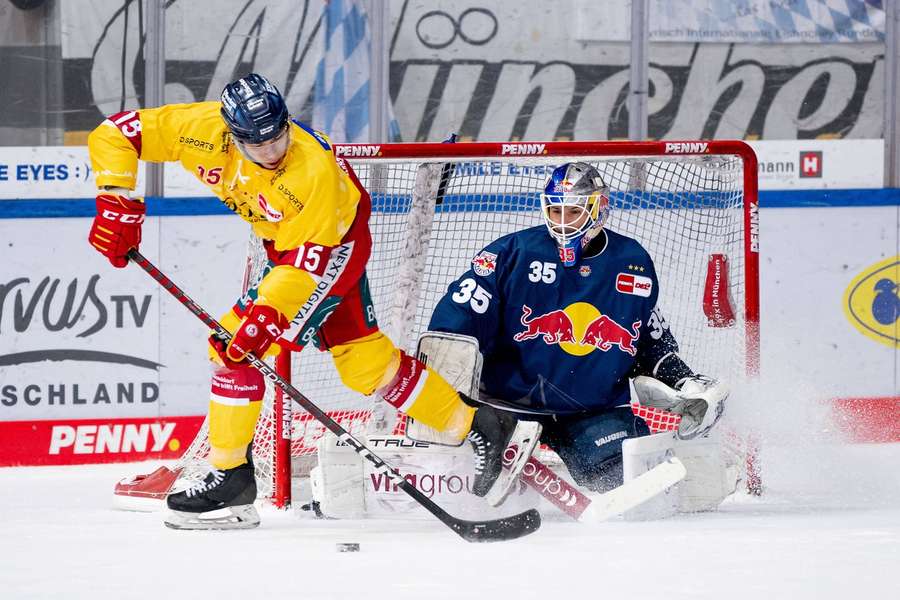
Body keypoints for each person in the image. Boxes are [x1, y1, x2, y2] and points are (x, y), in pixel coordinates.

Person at [86, 73, 520, 528]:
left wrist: (264, 319)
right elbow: (115, 133)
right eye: (259, 144)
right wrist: (116, 201)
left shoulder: (312, 170)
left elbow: (303, 270)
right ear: (231, 135)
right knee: (364, 365)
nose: (273, 151)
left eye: (279, 136)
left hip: (325, 249)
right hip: (292, 248)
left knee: (231, 351)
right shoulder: (200, 129)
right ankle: (475, 423)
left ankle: (230, 480)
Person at [427, 161, 729, 495]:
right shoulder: (512, 254)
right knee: (478, 491)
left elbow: (648, 340)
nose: (562, 222)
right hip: (507, 410)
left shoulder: (633, 262)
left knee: (636, 486)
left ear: (599, 208)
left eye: (573, 211)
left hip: (593, 412)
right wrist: (447, 397)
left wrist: (684, 381)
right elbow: (456, 325)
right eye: (555, 211)